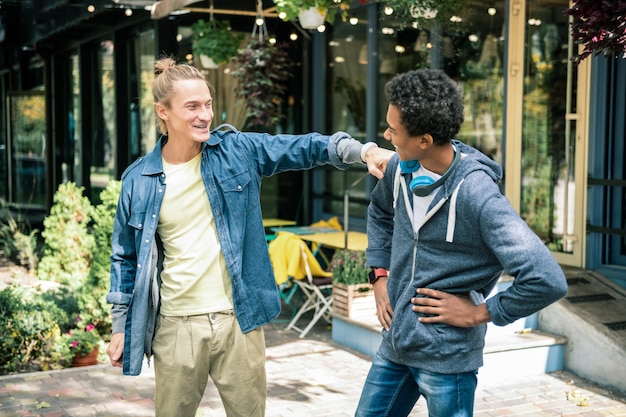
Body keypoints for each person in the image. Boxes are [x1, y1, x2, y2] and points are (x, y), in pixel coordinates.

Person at [105, 56, 394, 417]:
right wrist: (120, 326)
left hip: (237, 321)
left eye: (207, 104)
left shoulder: (236, 151)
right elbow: (125, 256)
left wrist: (364, 151)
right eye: (192, 106)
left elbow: (305, 147)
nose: (204, 115)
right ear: (163, 112)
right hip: (176, 327)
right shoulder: (139, 179)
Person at [355, 69, 568, 417]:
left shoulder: (478, 195)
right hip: (396, 344)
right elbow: (380, 213)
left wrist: (480, 313)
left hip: (447, 359)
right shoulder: (399, 168)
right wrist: (379, 274)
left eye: (394, 130)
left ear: (424, 140)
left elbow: (547, 279)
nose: (386, 135)